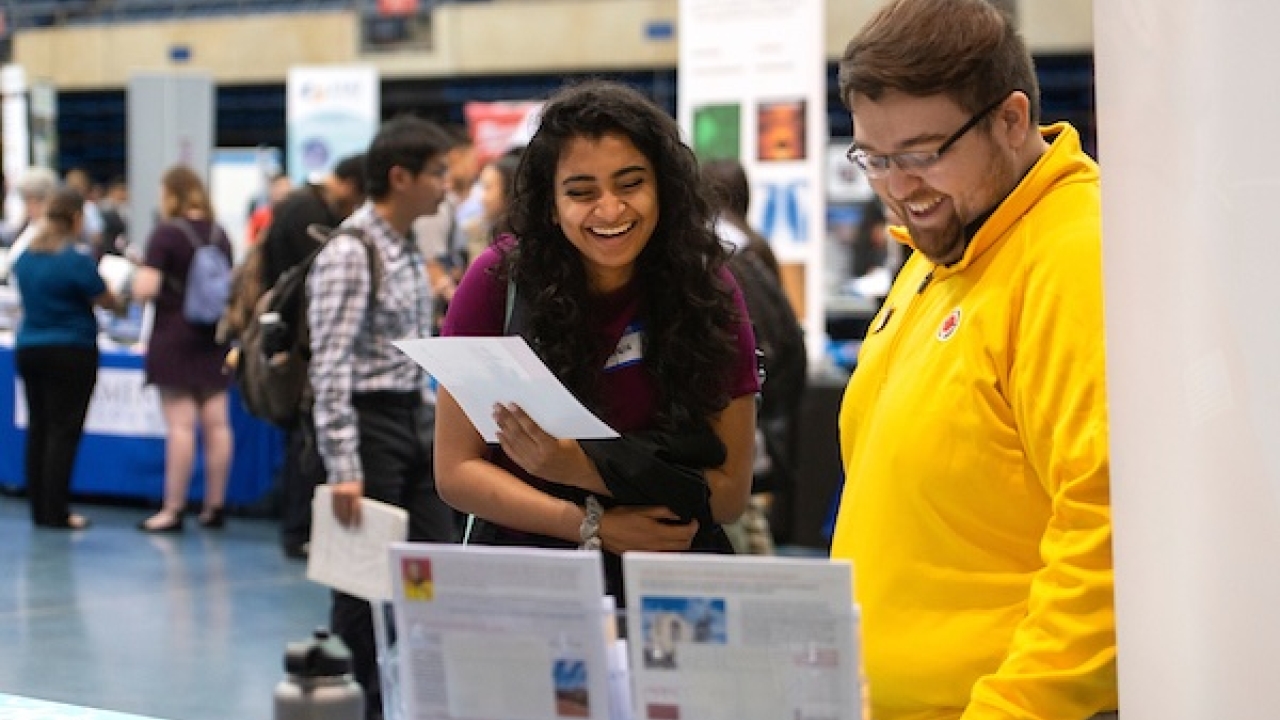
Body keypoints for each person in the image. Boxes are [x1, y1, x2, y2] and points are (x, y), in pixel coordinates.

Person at [831, 1, 1117, 719]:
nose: (899, 186)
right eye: (876, 158)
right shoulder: (943, 246)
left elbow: (1108, 529)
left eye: (923, 153)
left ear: (1011, 119)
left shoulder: (1073, 254)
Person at [435, 80, 759, 600]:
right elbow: (455, 470)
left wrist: (577, 467)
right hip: (528, 585)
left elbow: (728, 493)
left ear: (663, 188)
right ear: (550, 203)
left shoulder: (707, 289)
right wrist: (593, 525)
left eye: (630, 184)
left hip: (670, 587)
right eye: (581, 192)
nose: (610, 211)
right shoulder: (500, 282)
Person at [306, 116, 458, 720]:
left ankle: (412, 700)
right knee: (363, 584)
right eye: (438, 173)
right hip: (367, 429)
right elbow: (330, 365)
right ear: (401, 177)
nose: (448, 184)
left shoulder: (404, 246)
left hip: (412, 422)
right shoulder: (350, 251)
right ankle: (360, 704)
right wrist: (343, 462)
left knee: (430, 562)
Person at [258, 152, 367, 560]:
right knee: (306, 441)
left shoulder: (302, 206)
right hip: (301, 342)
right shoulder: (308, 213)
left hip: (299, 339)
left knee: (305, 438)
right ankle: (299, 529)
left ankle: (303, 527)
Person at [702, 157, 807, 554]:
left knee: (742, 531)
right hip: (766, 418)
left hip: (744, 420)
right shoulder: (755, 248)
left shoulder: (721, 257)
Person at [132, 165, 235, 533]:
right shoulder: (221, 234)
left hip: (174, 335)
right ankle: (215, 506)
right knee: (218, 424)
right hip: (213, 339)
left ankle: (173, 509)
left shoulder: (165, 234)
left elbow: (145, 288)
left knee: (181, 426)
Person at [11, 188, 118, 529]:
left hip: (29, 347)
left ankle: (39, 509)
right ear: (75, 218)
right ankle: (56, 511)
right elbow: (104, 297)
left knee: (38, 428)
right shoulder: (74, 259)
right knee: (63, 431)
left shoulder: (26, 257)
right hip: (70, 350)